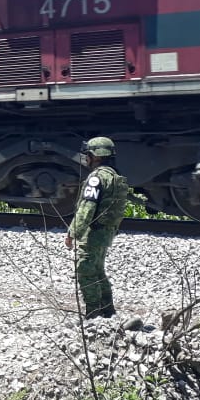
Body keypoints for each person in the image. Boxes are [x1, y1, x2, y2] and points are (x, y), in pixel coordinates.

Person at [65, 136, 129, 319]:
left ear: (96, 156)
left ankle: (93, 314)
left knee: (85, 269)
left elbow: (87, 207)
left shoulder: (96, 178)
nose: (86, 158)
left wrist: (72, 232)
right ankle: (108, 311)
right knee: (98, 270)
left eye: (89, 155)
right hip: (107, 231)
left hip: (94, 232)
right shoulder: (115, 178)